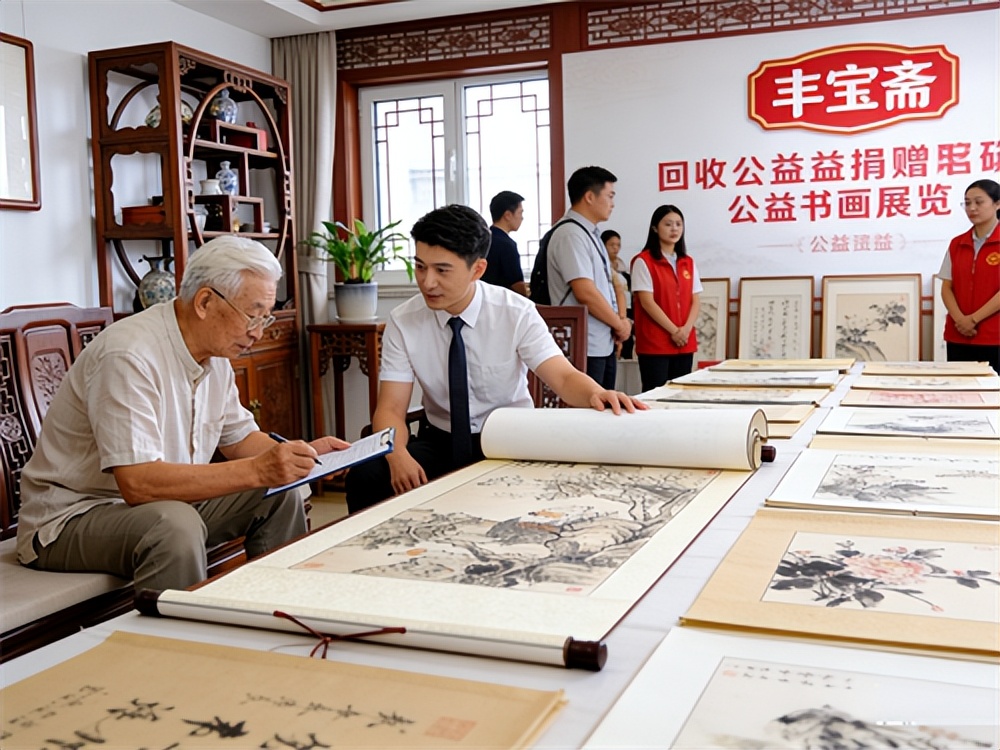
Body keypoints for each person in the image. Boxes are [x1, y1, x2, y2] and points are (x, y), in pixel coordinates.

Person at [16, 236, 350, 593]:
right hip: (70, 519)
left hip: (164, 504)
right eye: (252, 316)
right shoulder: (129, 355)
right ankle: (181, 629)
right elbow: (138, 483)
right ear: (205, 301)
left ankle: (279, 610)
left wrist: (304, 457)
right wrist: (258, 469)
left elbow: (240, 439)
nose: (257, 332)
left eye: (264, 318)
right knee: (174, 525)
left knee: (281, 494)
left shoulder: (215, 353)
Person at [345, 204, 646, 514]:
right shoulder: (404, 320)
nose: (427, 282)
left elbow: (563, 376)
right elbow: (391, 408)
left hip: (511, 439)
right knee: (367, 477)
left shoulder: (515, 312)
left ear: (477, 269)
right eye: (420, 267)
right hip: (441, 441)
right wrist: (398, 456)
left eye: (442, 270)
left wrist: (597, 393)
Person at [547, 166, 632, 389]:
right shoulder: (570, 234)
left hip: (601, 340)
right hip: (584, 345)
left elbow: (607, 286)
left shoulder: (590, 233)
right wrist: (620, 324)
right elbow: (585, 292)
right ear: (589, 197)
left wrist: (618, 323)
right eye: (610, 196)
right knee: (588, 407)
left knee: (605, 405)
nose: (613, 203)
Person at [631, 204, 703, 391]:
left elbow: (695, 300)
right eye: (668, 224)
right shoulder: (643, 261)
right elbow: (647, 302)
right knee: (655, 395)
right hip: (655, 344)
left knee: (680, 396)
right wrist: (674, 331)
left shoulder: (688, 262)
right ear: (655, 228)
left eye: (679, 224)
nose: (674, 229)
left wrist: (685, 330)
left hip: (684, 343)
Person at [939, 178, 1000, 374]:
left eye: (979, 202)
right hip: (958, 335)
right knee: (958, 387)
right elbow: (947, 287)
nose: (972, 208)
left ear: (997, 204)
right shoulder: (957, 243)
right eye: (967, 203)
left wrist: (972, 320)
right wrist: (960, 320)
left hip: (994, 335)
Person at [482, 190, 528, 296]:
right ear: (507, 215)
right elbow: (516, 284)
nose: (522, 217)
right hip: (502, 299)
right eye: (520, 213)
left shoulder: (483, 239)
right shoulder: (507, 245)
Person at [602, 229, 633, 359]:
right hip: (611, 310)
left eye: (618, 245)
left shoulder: (622, 268)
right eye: (611, 245)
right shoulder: (602, 267)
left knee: (628, 343)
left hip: (627, 310)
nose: (615, 248)